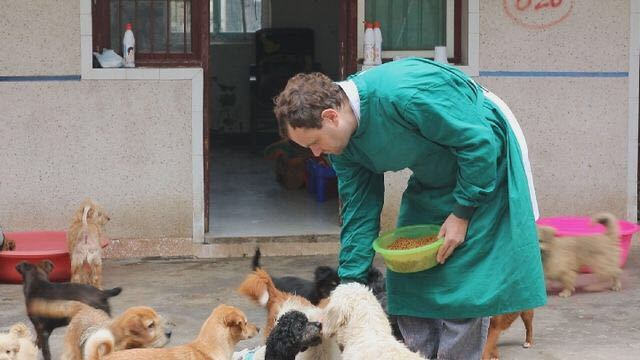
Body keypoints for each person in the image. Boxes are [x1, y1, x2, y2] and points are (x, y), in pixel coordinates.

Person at [273, 57, 547, 359]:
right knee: (409, 278)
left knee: (462, 286)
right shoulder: (342, 147)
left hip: (484, 165)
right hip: (433, 176)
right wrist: (349, 286)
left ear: (331, 116)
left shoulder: (404, 93)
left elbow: (478, 142)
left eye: (314, 142)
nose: (315, 153)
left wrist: (462, 213)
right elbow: (358, 210)